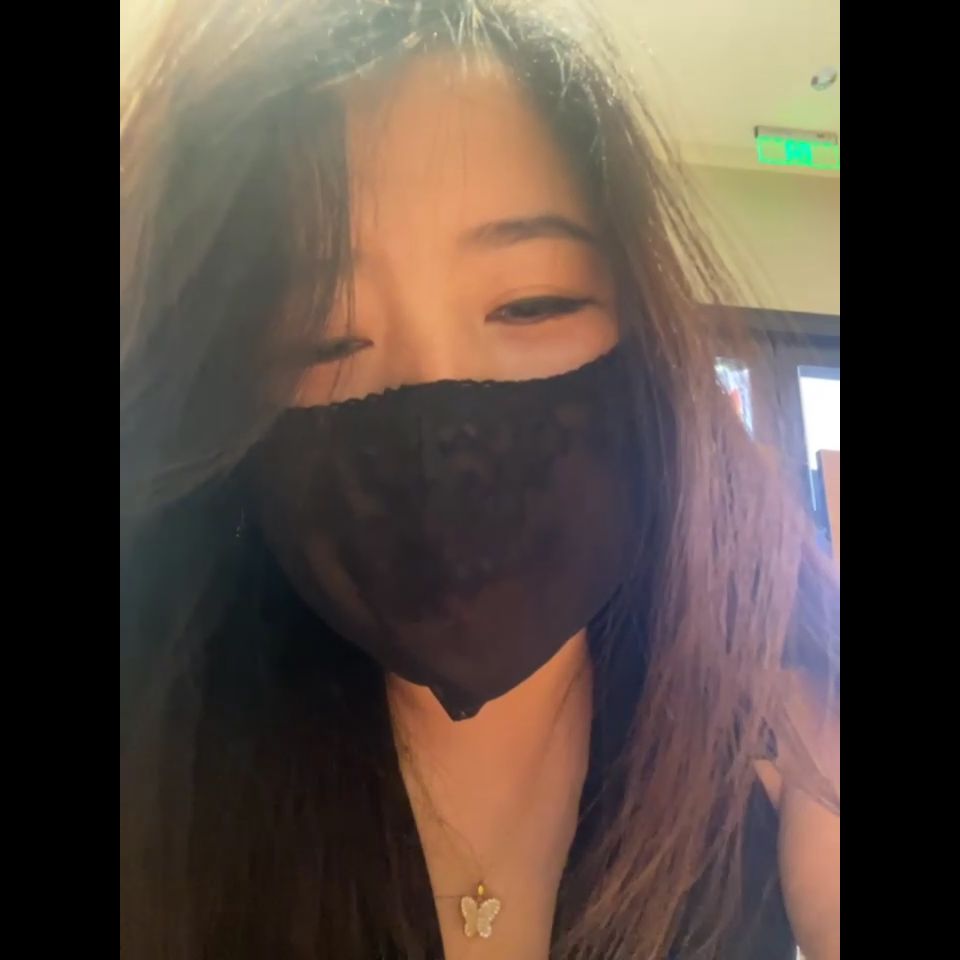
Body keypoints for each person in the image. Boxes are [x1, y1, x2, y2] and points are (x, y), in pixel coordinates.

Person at [119, 2, 840, 958]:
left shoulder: (785, 724)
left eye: (533, 304)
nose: (442, 434)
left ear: (646, 328)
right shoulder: (160, 754)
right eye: (319, 340)